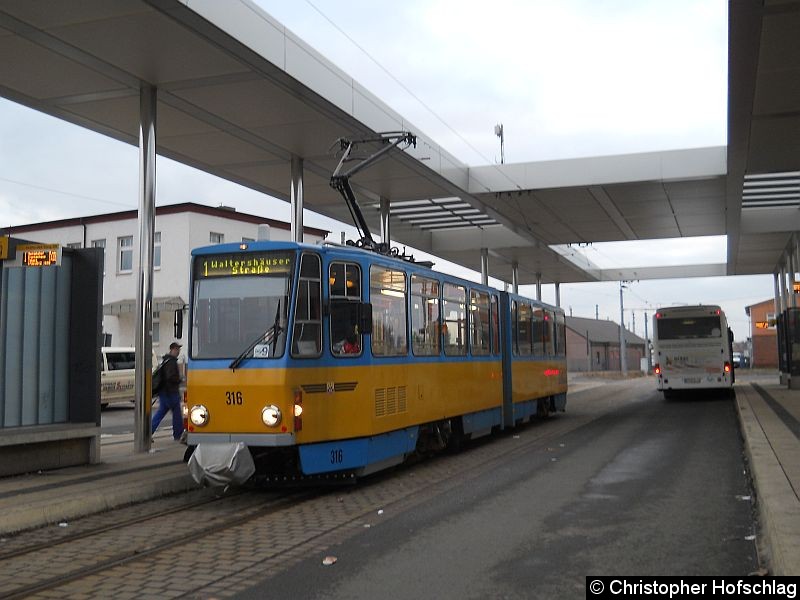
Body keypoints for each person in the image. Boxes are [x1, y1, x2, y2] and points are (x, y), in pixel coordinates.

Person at [151, 342, 184, 442]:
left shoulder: (166, 360)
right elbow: (170, 377)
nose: (178, 351)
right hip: (170, 392)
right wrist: (179, 380)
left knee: (162, 412)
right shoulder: (171, 362)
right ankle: (178, 435)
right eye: (177, 349)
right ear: (172, 349)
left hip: (165, 392)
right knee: (177, 414)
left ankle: (148, 432)